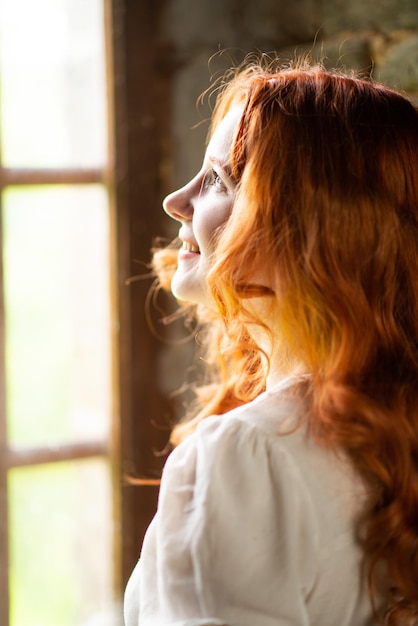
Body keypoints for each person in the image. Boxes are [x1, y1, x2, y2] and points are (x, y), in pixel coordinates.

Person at [124, 57, 418, 626]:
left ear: (307, 227)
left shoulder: (242, 460)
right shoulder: (396, 424)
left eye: (217, 179)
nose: (176, 201)